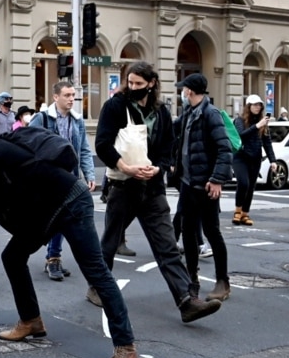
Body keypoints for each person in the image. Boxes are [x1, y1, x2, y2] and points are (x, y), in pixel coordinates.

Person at [0, 124, 140, 358]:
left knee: (96, 272)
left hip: (71, 202)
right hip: (45, 212)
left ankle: (126, 348)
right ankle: (31, 321)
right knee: (12, 257)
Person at [92, 62, 222, 324]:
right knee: (110, 241)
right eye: (131, 82)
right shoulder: (115, 106)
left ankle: (187, 301)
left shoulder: (161, 111)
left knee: (167, 247)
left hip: (152, 189)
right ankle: (97, 287)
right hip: (122, 186)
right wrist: (125, 167)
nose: (134, 88)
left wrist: (159, 168)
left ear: (151, 84)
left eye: (139, 84)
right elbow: (102, 144)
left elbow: (167, 148)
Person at [172, 73, 234, 302]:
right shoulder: (188, 113)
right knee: (188, 233)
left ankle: (222, 281)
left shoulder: (211, 114)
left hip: (206, 185)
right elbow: (173, 132)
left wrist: (217, 179)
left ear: (189, 91)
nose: (182, 93)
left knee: (211, 231)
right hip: (188, 183)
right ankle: (192, 280)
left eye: (183, 89)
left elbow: (224, 149)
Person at [31, 80, 96, 281]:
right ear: (55, 97)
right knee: (55, 218)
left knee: (64, 217)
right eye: (67, 95)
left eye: (73, 95)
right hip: (48, 178)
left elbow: (84, 149)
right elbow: (27, 144)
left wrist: (89, 174)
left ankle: (53, 257)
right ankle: (52, 257)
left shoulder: (77, 120)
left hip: (70, 177)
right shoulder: (41, 119)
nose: (71, 99)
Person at [232, 94, 277, 226]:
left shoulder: (263, 122)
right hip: (240, 157)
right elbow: (240, 135)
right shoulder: (239, 120)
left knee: (251, 186)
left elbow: (267, 142)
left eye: (260, 105)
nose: (258, 108)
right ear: (249, 106)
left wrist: (272, 160)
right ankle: (238, 211)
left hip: (255, 157)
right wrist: (257, 126)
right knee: (243, 183)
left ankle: (245, 213)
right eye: (255, 105)